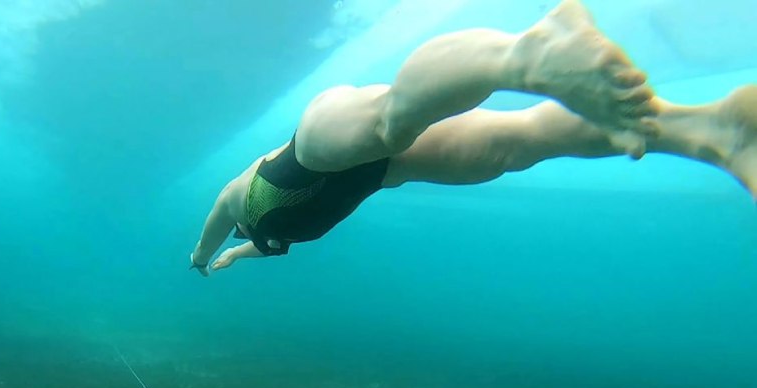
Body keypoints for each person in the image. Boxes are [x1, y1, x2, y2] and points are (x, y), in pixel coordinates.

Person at [189, 0, 756, 276]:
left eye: (241, 241)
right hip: (383, 172)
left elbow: (216, 219)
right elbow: (249, 246)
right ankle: (707, 130)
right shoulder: (268, 240)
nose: (241, 240)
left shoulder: (239, 200)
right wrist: (231, 259)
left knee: (391, 122)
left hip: (309, 151)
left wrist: (199, 257)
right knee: (513, 146)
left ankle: (527, 53)